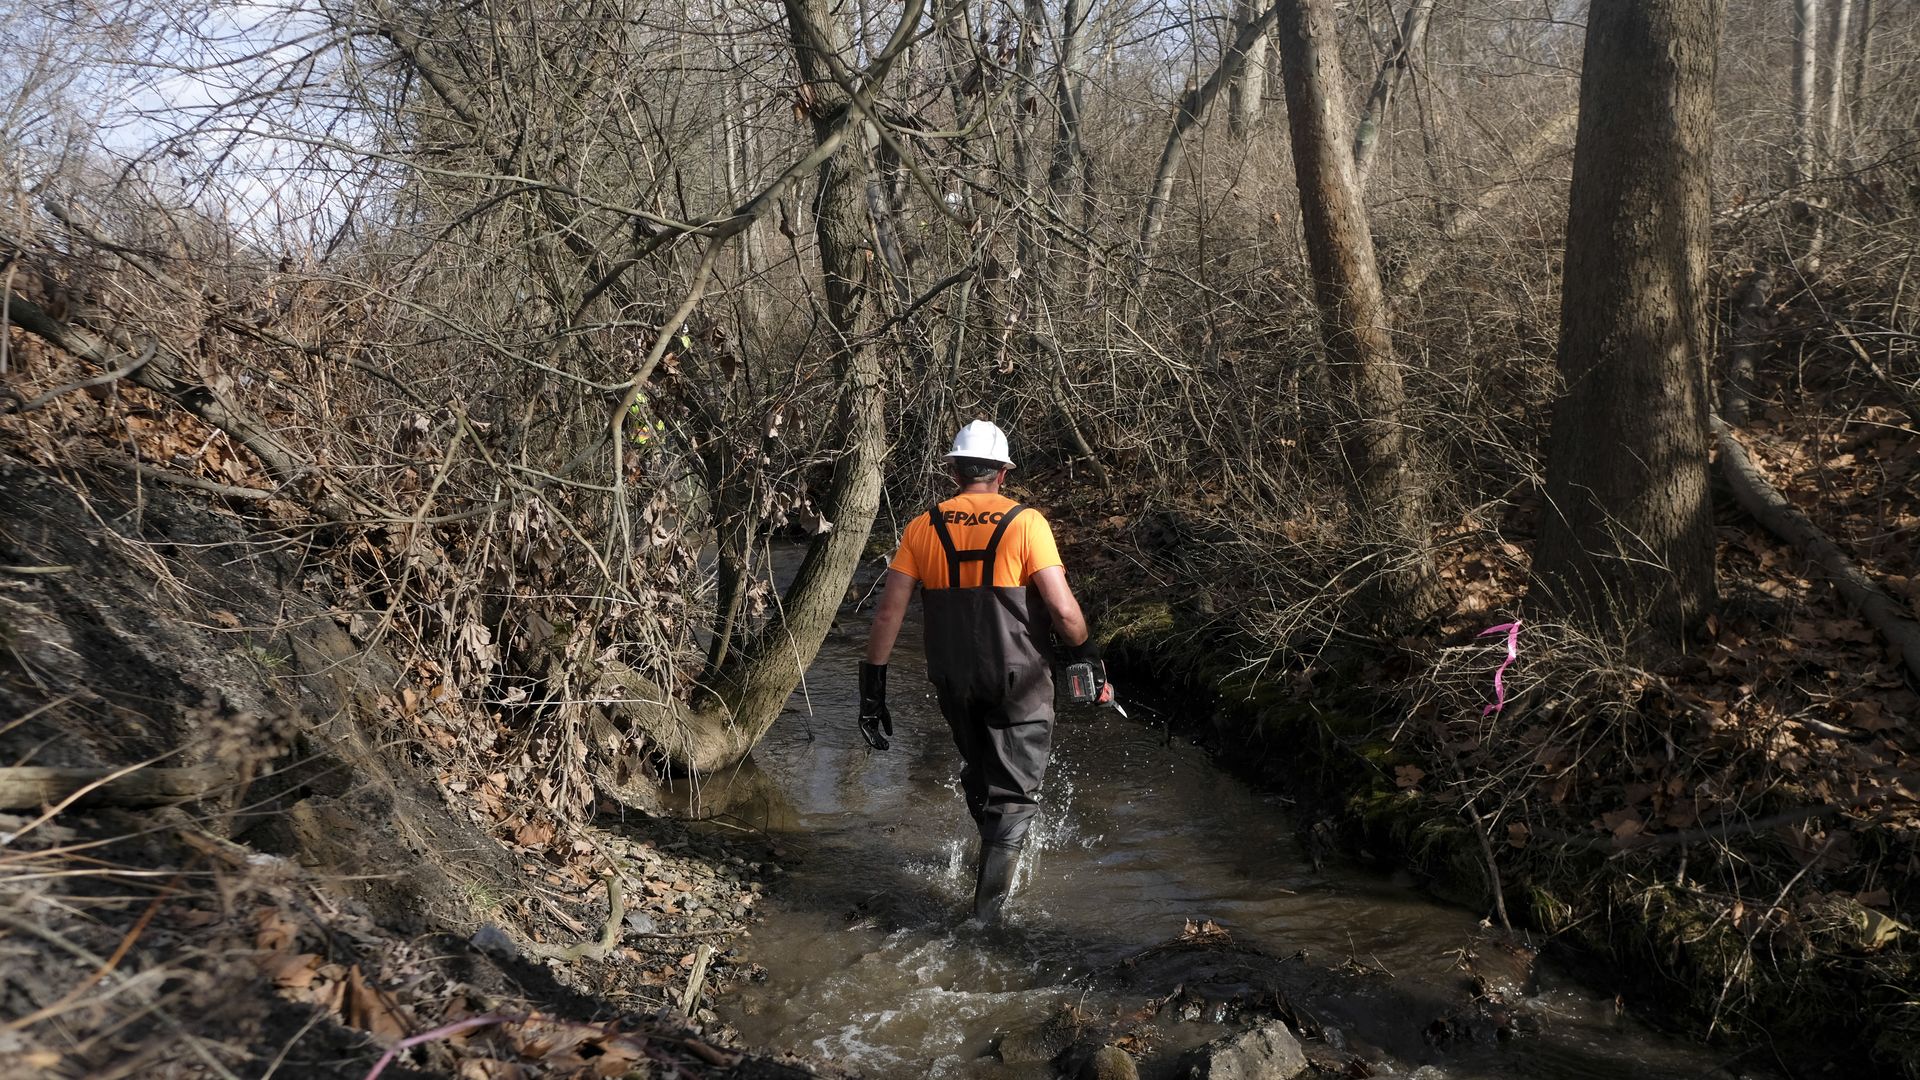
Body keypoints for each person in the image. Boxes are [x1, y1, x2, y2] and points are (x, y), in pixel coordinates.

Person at [857, 420, 1105, 923]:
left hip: (953, 680)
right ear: (1002, 475)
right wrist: (1088, 657)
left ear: (954, 472)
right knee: (1014, 795)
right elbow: (1064, 612)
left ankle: (990, 855)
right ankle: (986, 918)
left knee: (981, 771)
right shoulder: (1025, 523)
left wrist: (872, 689)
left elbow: (888, 615)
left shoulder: (922, 527)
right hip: (1021, 681)